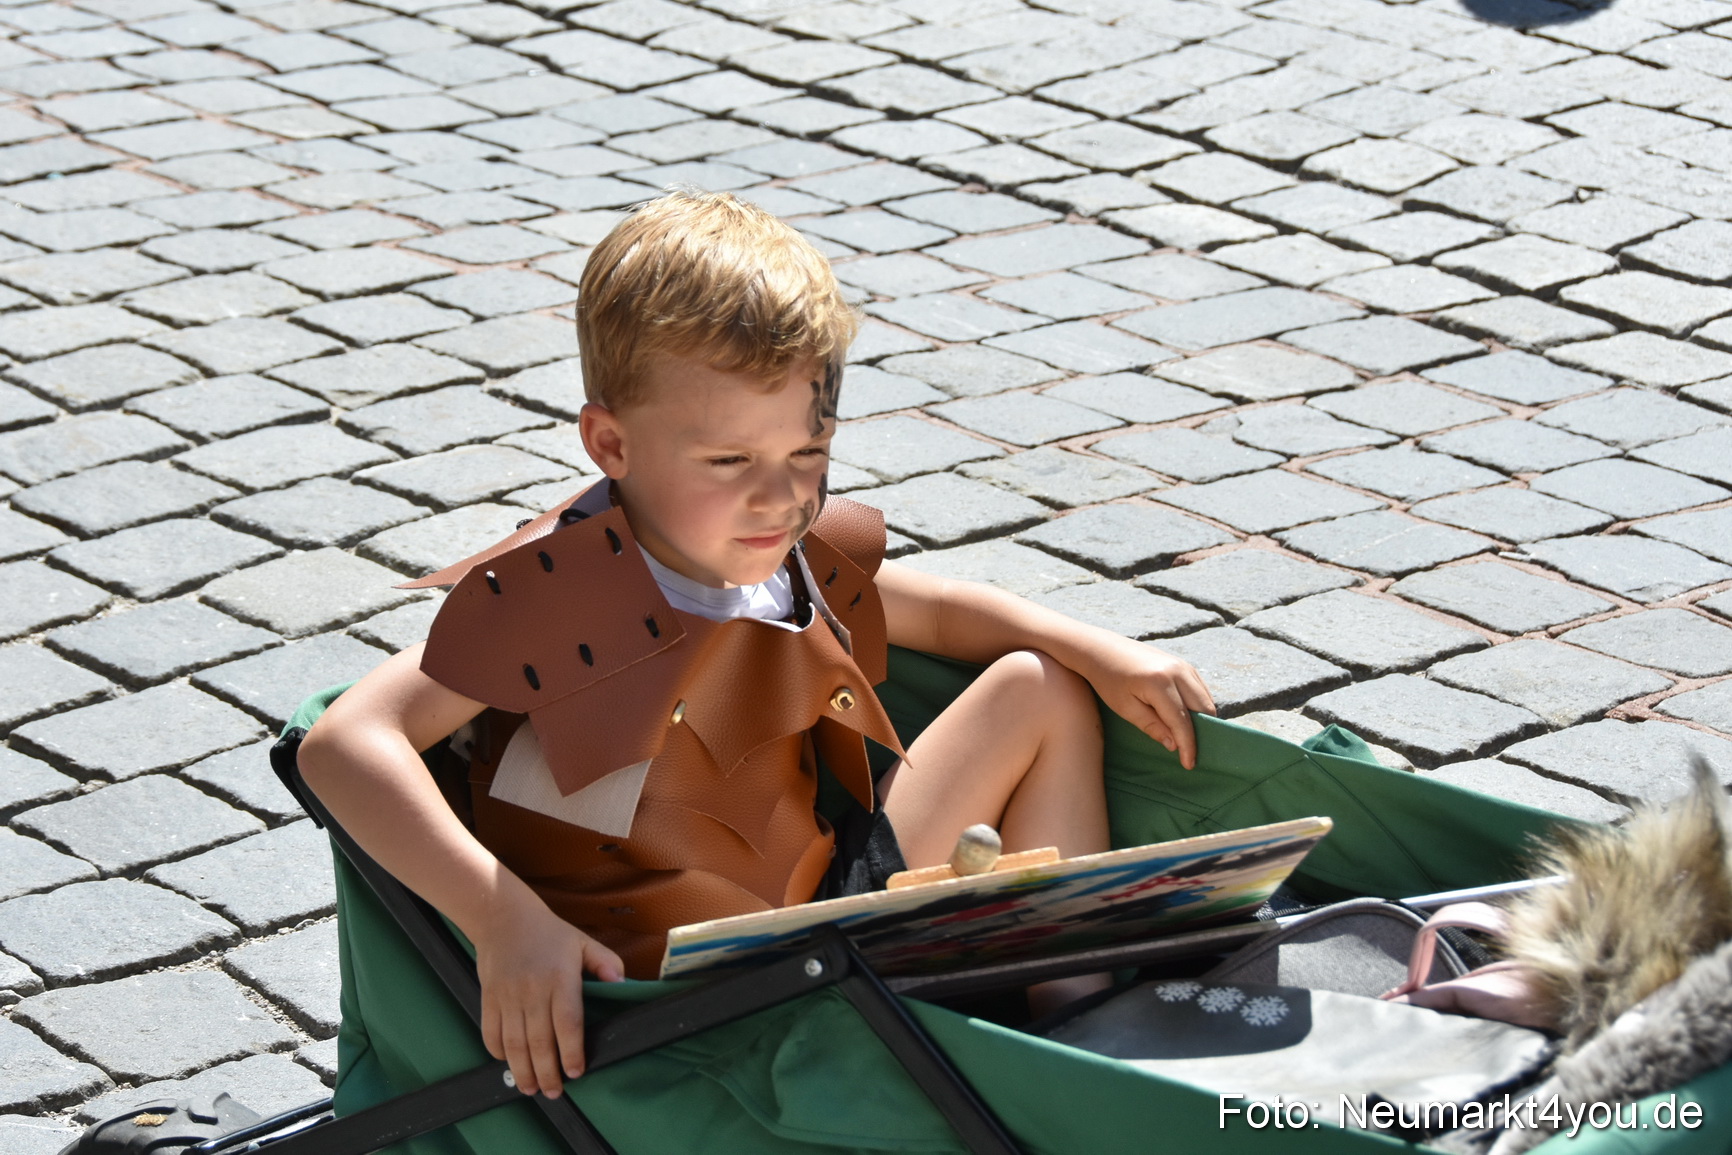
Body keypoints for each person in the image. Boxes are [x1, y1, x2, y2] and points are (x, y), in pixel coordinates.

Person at [297, 188, 1217, 1104]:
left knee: (1039, 684)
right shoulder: (561, 592)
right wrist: (502, 917)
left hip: (835, 909)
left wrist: (1092, 645)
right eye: (731, 462)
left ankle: (1071, 1015)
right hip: (696, 1002)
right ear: (610, 442)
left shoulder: (772, 546)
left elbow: (930, 606)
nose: (779, 498)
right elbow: (343, 743)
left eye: (809, 454)